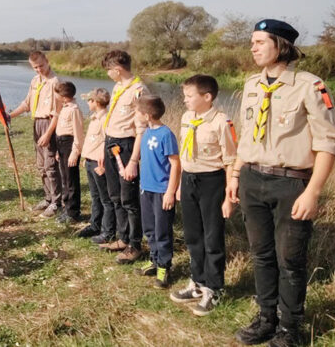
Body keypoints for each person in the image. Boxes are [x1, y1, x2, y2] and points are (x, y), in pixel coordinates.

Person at [227, 19, 335, 347]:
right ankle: (266, 319)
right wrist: (235, 175)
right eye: (252, 42)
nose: (253, 47)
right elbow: (247, 136)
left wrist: (313, 192)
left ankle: (290, 328)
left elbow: (328, 143)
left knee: (290, 260)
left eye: (260, 42)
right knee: (261, 254)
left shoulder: (310, 86)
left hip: (291, 184)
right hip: (252, 179)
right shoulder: (251, 85)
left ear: (281, 45)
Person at [170, 74, 237, 316]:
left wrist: (228, 197)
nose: (185, 100)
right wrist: (180, 184)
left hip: (212, 182)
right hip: (189, 180)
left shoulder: (221, 122)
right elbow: (184, 155)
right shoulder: (187, 117)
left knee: (212, 237)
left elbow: (230, 160)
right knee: (192, 235)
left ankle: (214, 288)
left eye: (189, 96)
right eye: (184, 95)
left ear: (207, 97)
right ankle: (197, 282)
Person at [98, 50, 149, 265]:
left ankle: (135, 245)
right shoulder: (118, 87)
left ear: (117, 69)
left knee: (129, 198)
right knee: (115, 195)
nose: (108, 74)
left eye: (109, 70)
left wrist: (134, 161)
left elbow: (142, 129)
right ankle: (123, 237)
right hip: (111, 143)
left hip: (127, 146)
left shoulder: (139, 90)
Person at [133, 94, 180, 287]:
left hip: (162, 191)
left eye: (137, 111)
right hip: (146, 189)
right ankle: (154, 260)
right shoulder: (146, 132)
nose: (135, 114)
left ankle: (164, 266)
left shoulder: (166, 134)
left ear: (147, 115)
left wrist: (170, 192)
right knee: (149, 228)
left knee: (162, 230)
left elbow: (175, 164)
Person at [9, 51, 63, 218]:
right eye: (35, 67)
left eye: (41, 66)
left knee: (50, 165)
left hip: (49, 124)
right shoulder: (35, 81)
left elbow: (57, 113)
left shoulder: (55, 82)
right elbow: (27, 104)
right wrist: (9, 115)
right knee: (41, 165)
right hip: (37, 123)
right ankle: (48, 197)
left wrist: (48, 134)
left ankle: (57, 202)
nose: (39, 70)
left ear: (47, 61)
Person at [77, 88, 115, 242]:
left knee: (106, 199)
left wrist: (104, 164)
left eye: (89, 100)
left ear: (96, 102)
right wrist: (86, 157)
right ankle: (95, 225)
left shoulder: (106, 119)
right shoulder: (94, 118)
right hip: (90, 161)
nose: (87, 103)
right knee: (95, 196)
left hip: (99, 164)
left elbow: (108, 142)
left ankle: (108, 231)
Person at [54, 81, 84, 226]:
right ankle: (66, 207)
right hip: (62, 144)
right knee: (65, 178)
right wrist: (58, 151)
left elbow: (78, 133)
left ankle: (73, 212)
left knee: (71, 179)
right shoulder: (65, 108)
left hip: (70, 144)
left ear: (64, 96)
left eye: (58, 94)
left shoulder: (74, 110)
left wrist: (75, 152)